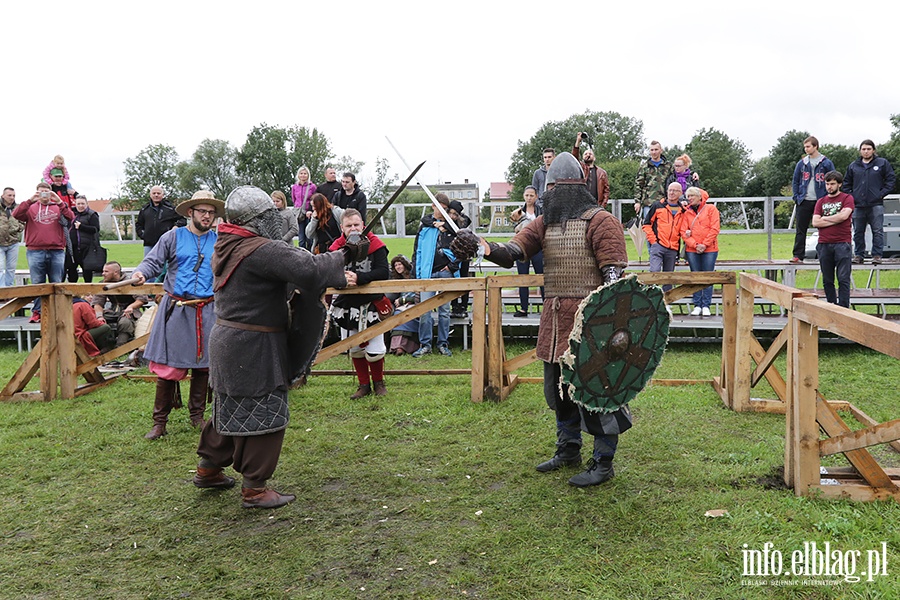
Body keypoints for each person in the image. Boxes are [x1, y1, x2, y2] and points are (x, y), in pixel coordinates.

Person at [192, 185, 350, 509]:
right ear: (257, 219)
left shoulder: (227, 244)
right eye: (269, 216)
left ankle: (208, 469)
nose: (274, 221)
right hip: (254, 344)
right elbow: (308, 268)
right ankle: (255, 488)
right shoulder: (257, 248)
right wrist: (347, 253)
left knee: (230, 407)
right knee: (266, 411)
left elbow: (276, 278)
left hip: (228, 340)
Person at [479, 152, 630, 487]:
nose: (550, 194)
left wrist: (609, 326)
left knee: (597, 390)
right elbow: (513, 252)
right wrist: (482, 246)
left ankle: (603, 461)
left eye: (554, 187)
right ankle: (569, 449)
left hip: (591, 322)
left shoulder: (601, 221)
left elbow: (614, 276)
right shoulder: (544, 223)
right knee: (559, 391)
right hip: (555, 320)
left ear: (572, 188)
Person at [131, 190, 224, 439]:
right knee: (168, 367)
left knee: (204, 366)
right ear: (190, 213)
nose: (207, 216)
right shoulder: (172, 237)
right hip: (178, 309)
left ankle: (197, 417)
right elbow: (153, 262)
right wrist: (141, 273)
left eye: (211, 213)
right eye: (202, 211)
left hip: (208, 309)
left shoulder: (219, 241)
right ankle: (159, 422)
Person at [328, 209, 390, 398]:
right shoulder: (336, 248)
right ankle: (364, 385)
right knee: (355, 348)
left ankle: (379, 383)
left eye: (356, 224)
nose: (353, 228)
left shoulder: (377, 245)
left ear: (363, 224)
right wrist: (343, 278)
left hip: (372, 302)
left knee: (375, 350)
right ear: (342, 228)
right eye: (349, 225)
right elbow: (327, 272)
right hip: (347, 305)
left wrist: (360, 277)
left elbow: (383, 272)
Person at [13, 182, 75, 322]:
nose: (44, 195)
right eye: (41, 192)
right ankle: (38, 312)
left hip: (56, 250)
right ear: (37, 193)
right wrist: (30, 200)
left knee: (57, 283)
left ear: (51, 193)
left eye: (47, 192)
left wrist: (59, 202)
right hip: (35, 250)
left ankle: (58, 312)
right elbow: (16, 214)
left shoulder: (57, 207)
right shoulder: (30, 207)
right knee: (37, 284)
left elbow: (71, 216)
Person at [412, 193, 459, 358]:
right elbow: (418, 251)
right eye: (440, 208)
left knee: (444, 310)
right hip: (427, 273)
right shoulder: (425, 227)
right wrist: (417, 275)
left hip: (445, 273)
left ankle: (443, 344)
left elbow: (461, 248)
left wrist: (452, 267)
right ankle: (425, 344)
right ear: (433, 206)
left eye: (445, 209)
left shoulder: (452, 226)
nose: (442, 212)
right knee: (424, 309)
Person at [842, 139, 896, 265]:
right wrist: (852, 197)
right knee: (858, 231)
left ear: (873, 150)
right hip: (858, 205)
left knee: (877, 231)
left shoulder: (882, 163)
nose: (866, 151)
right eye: (863, 149)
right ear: (860, 151)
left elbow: (891, 180)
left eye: (868, 149)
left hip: (875, 204)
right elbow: (846, 184)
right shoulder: (853, 166)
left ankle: (877, 255)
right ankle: (859, 255)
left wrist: (880, 194)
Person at [813, 171, 855, 308]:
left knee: (843, 278)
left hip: (842, 243)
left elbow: (844, 216)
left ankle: (843, 308)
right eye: (827, 184)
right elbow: (815, 222)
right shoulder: (821, 201)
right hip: (824, 244)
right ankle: (831, 306)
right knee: (827, 279)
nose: (829, 187)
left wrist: (824, 218)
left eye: (832, 184)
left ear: (839, 184)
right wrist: (834, 219)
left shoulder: (847, 198)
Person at [790, 136, 835, 264]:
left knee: (825, 228)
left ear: (815, 146)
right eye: (805, 147)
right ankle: (798, 255)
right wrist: (797, 197)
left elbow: (834, 179)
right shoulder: (802, 163)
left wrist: (829, 197)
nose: (806, 149)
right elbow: (796, 180)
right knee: (800, 229)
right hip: (804, 200)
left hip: (821, 200)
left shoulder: (826, 163)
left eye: (808, 146)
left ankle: (825, 255)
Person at [680, 187, 720, 316]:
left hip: (710, 248)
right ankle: (697, 303)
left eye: (692, 196)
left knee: (707, 276)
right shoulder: (686, 213)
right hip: (692, 249)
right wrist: (695, 244)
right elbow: (683, 232)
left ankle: (706, 304)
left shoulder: (711, 209)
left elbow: (715, 228)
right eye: (688, 196)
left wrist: (704, 244)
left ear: (699, 196)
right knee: (695, 275)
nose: (690, 198)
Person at [92, 261, 149, 347]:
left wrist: (131, 307)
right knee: (93, 319)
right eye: (103, 271)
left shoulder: (130, 282)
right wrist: (99, 316)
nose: (103, 274)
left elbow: (141, 299)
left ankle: (121, 346)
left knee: (125, 321)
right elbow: (98, 303)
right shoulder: (103, 283)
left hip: (130, 311)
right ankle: (104, 345)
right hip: (112, 311)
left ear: (116, 272)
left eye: (106, 271)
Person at [643, 182, 685, 291]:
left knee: (668, 278)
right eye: (670, 190)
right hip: (658, 245)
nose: (671, 192)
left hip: (673, 248)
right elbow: (646, 224)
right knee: (654, 274)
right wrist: (653, 241)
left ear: (680, 193)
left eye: (675, 190)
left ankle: (667, 304)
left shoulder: (683, 210)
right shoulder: (657, 206)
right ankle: (651, 301)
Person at [509, 186, 544, 317]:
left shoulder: (541, 211)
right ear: (524, 196)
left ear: (536, 197)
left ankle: (545, 306)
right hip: (522, 247)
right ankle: (523, 308)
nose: (529, 198)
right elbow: (514, 228)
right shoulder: (518, 211)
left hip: (537, 247)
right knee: (522, 277)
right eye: (527, 195)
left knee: (541, 277)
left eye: (531, 195)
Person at [136, 186, 185, 256]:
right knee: (148, 266)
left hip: (167, 244)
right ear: (150, 195)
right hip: (149, 245)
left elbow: (182, 220)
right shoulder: (144, 209)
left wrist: (176, 226)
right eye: (154, 193)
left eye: (158, 193)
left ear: (163, 195)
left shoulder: (170, 209)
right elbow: (139, 224)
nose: (156, 195)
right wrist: (143, 235)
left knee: (166, 266)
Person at [386, 254, 420, 356]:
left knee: (408, 316)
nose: (398, 267)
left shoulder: (415, 276)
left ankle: (403, 347)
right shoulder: (397, 280)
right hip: (401, 307)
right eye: (396, 265)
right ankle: (396, 347)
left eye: (400, 264)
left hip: (416, 304)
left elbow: (420, 296)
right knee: (397, 315)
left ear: (405, 264)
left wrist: (404, 300)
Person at [64, 194, 101, 282]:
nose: (80, 206)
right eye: (78, 204)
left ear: (87, 204)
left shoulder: (92, 214)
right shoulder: (71, 214)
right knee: (71, 270)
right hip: (72, 248)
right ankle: (73, 292)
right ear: (75, 204)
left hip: (87, 248)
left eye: (82, 204)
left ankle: (88, 292)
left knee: (87, 270)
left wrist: (82, 227)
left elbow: (95, 229)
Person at [634, 140, 672, 221]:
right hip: (648, 203)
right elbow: (638, 185)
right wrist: (637, 202)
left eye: (656, 149)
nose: (654, 152)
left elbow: (678, 176)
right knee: (648, 227)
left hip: (664, 202)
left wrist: (693, 173)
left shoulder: (668, 166)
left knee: (664, 228)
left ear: (661, 150)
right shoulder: (644, 167)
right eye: (652, 150)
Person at [447, 200, 473, 318]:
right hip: (451, 256)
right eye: (450, 213)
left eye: (455, 214)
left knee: (463, 280)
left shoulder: (463, 222)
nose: (452, 216)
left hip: (463, 256)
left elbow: (457, 229)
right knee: (453, 281)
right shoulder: (447, 222)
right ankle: (454, 305)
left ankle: (463, 306)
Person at [573, 133, 610, 208]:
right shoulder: (581, 168)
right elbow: (574, 157)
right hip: (582, 204)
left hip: (596, 205)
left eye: (590, 153)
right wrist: (578, 141)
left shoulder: (602, 172)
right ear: (583, 157)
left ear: (594, 158)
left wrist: (603, 206)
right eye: (585, 154)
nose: (587, 155)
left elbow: (606, 191)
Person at [0, 187, 24, 287]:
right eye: (9, 195)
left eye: (13, 195)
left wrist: (18, 228)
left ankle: (9, 290)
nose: (12, 197)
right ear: (3, 196)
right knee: (0, 268)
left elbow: (23, 221)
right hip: (0, 242)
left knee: (11, 268)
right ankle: (1, 291)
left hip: (13, 242)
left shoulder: (18, 208)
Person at [291, 166, 316, 248]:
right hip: (299, 214)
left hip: (309, 213)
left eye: (305, 173)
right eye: (301, 173)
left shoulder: (312, 186)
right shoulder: (294, 187)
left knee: (309, 237)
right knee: (301, 238)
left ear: (308, 175)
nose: (303, 175)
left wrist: (311, 210)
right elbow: (294, 199)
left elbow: (314, 199)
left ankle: (310, 255)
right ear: (298, 175)